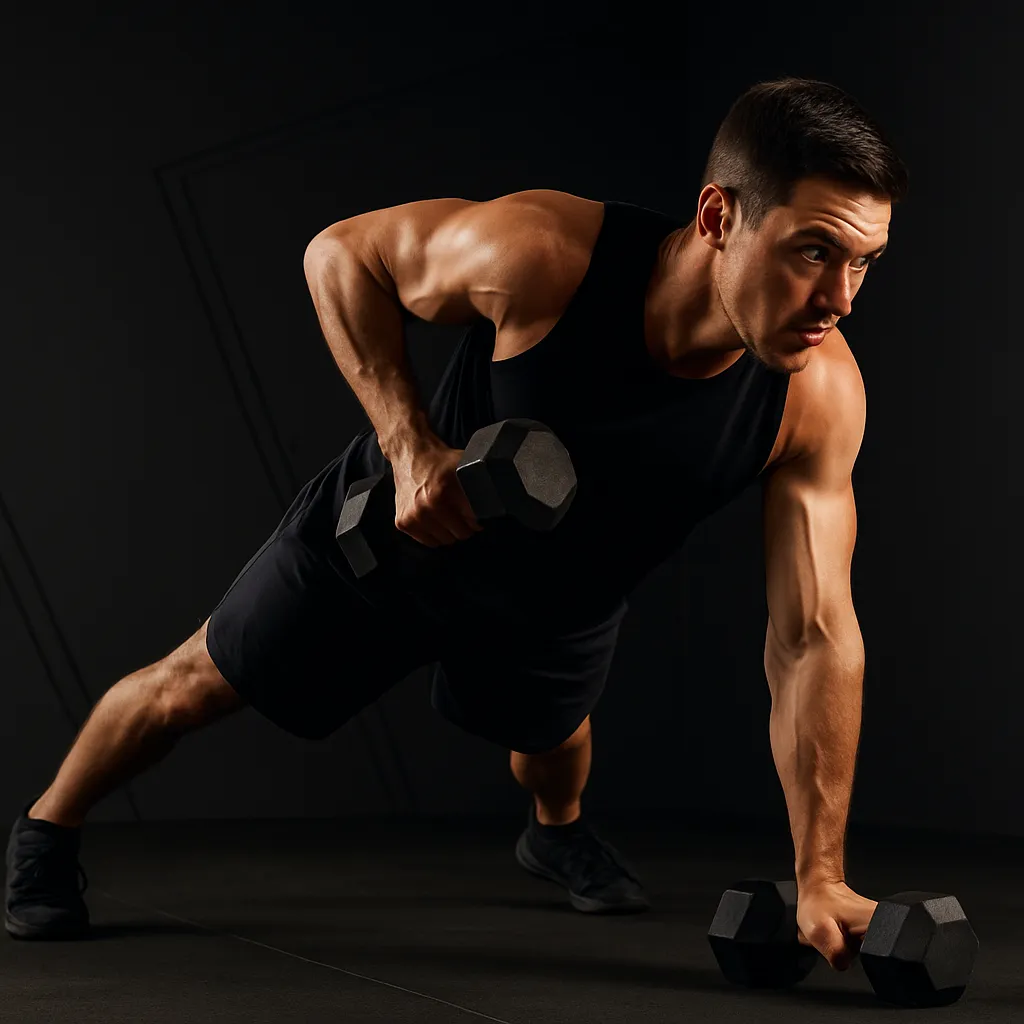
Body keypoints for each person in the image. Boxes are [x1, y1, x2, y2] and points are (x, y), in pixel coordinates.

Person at [6, 76, 907, 972]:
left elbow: (816, 635)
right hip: (395, 544)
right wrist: (409, 447)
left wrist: (820, 872)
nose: (841, 298)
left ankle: (555, 836)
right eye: (814, 252)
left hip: (559, 605)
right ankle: (48, 829)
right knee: (189, 686)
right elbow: (340, 255)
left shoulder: (817, 399)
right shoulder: (545, 254)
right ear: (719, 216)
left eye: (863, 262)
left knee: (555, 746)